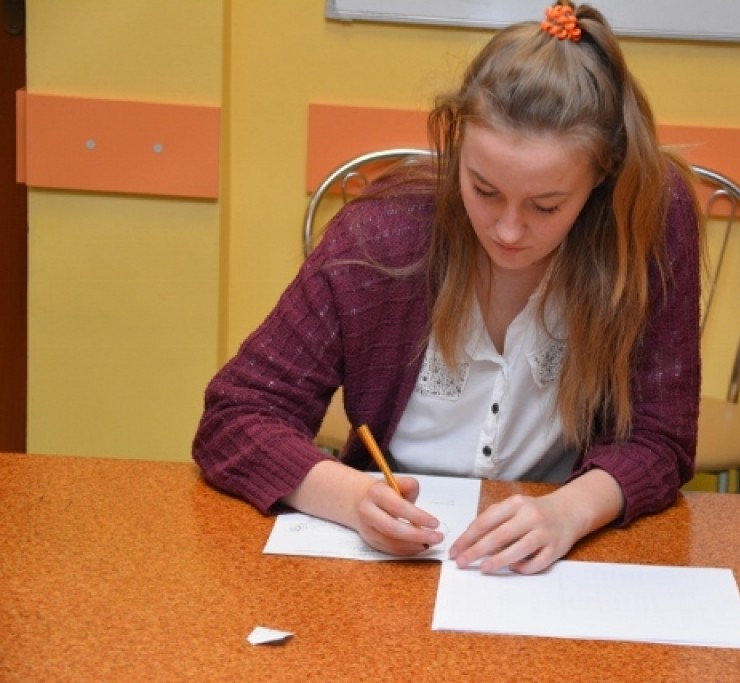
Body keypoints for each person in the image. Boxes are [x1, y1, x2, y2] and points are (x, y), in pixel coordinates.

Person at [193, 1, 702, 575]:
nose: (508, 231)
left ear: (602, 177)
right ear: (457, 144)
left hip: (559, 560)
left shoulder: (647, 222)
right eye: (484, 190)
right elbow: (237, 415)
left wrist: (567, 512)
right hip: (393, 555)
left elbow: (660, 440)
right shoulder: (382, 236)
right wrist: (353, 499)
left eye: (546, 206)